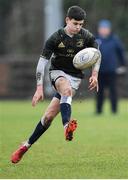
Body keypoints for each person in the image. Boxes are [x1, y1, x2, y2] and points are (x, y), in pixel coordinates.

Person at [11, 6, 101, 164]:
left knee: (48, 117)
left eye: (81, 24)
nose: (78, 27)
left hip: (75, 78)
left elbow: (97, 55)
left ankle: (25, 146)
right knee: (65, 88)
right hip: (57, 73)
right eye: (75, 23)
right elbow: (41, 64)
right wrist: (39, 87)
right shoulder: (55, 38)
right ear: (67, 20)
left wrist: (94, 74)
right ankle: (67, 126)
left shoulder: (86, 36)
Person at [96, 19, 126, 114]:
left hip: (112, 70)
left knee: (113, 92)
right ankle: (99, 111)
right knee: (99, 92)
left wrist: (123, 65)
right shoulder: (96, 40)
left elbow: (121, 53)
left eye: (106, 28)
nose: (104, 30)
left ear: (109, 29)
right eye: (102, 28)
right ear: (99, 29)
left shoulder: (114, 39)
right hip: (99, 71)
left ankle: (114, 111)